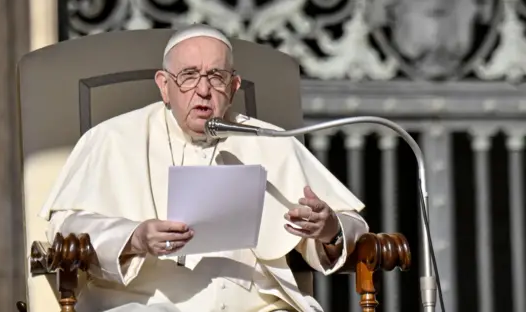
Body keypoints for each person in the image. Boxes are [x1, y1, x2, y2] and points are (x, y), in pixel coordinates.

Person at [39, 24, 368, 312]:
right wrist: (134, 237)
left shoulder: (270, 141)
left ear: (234, 87)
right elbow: (64, 230)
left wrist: (328, 229)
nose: (204, 89)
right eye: (188, 75)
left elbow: (354, 225)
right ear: (164, 86)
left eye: (216, 76)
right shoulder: (112, 138)